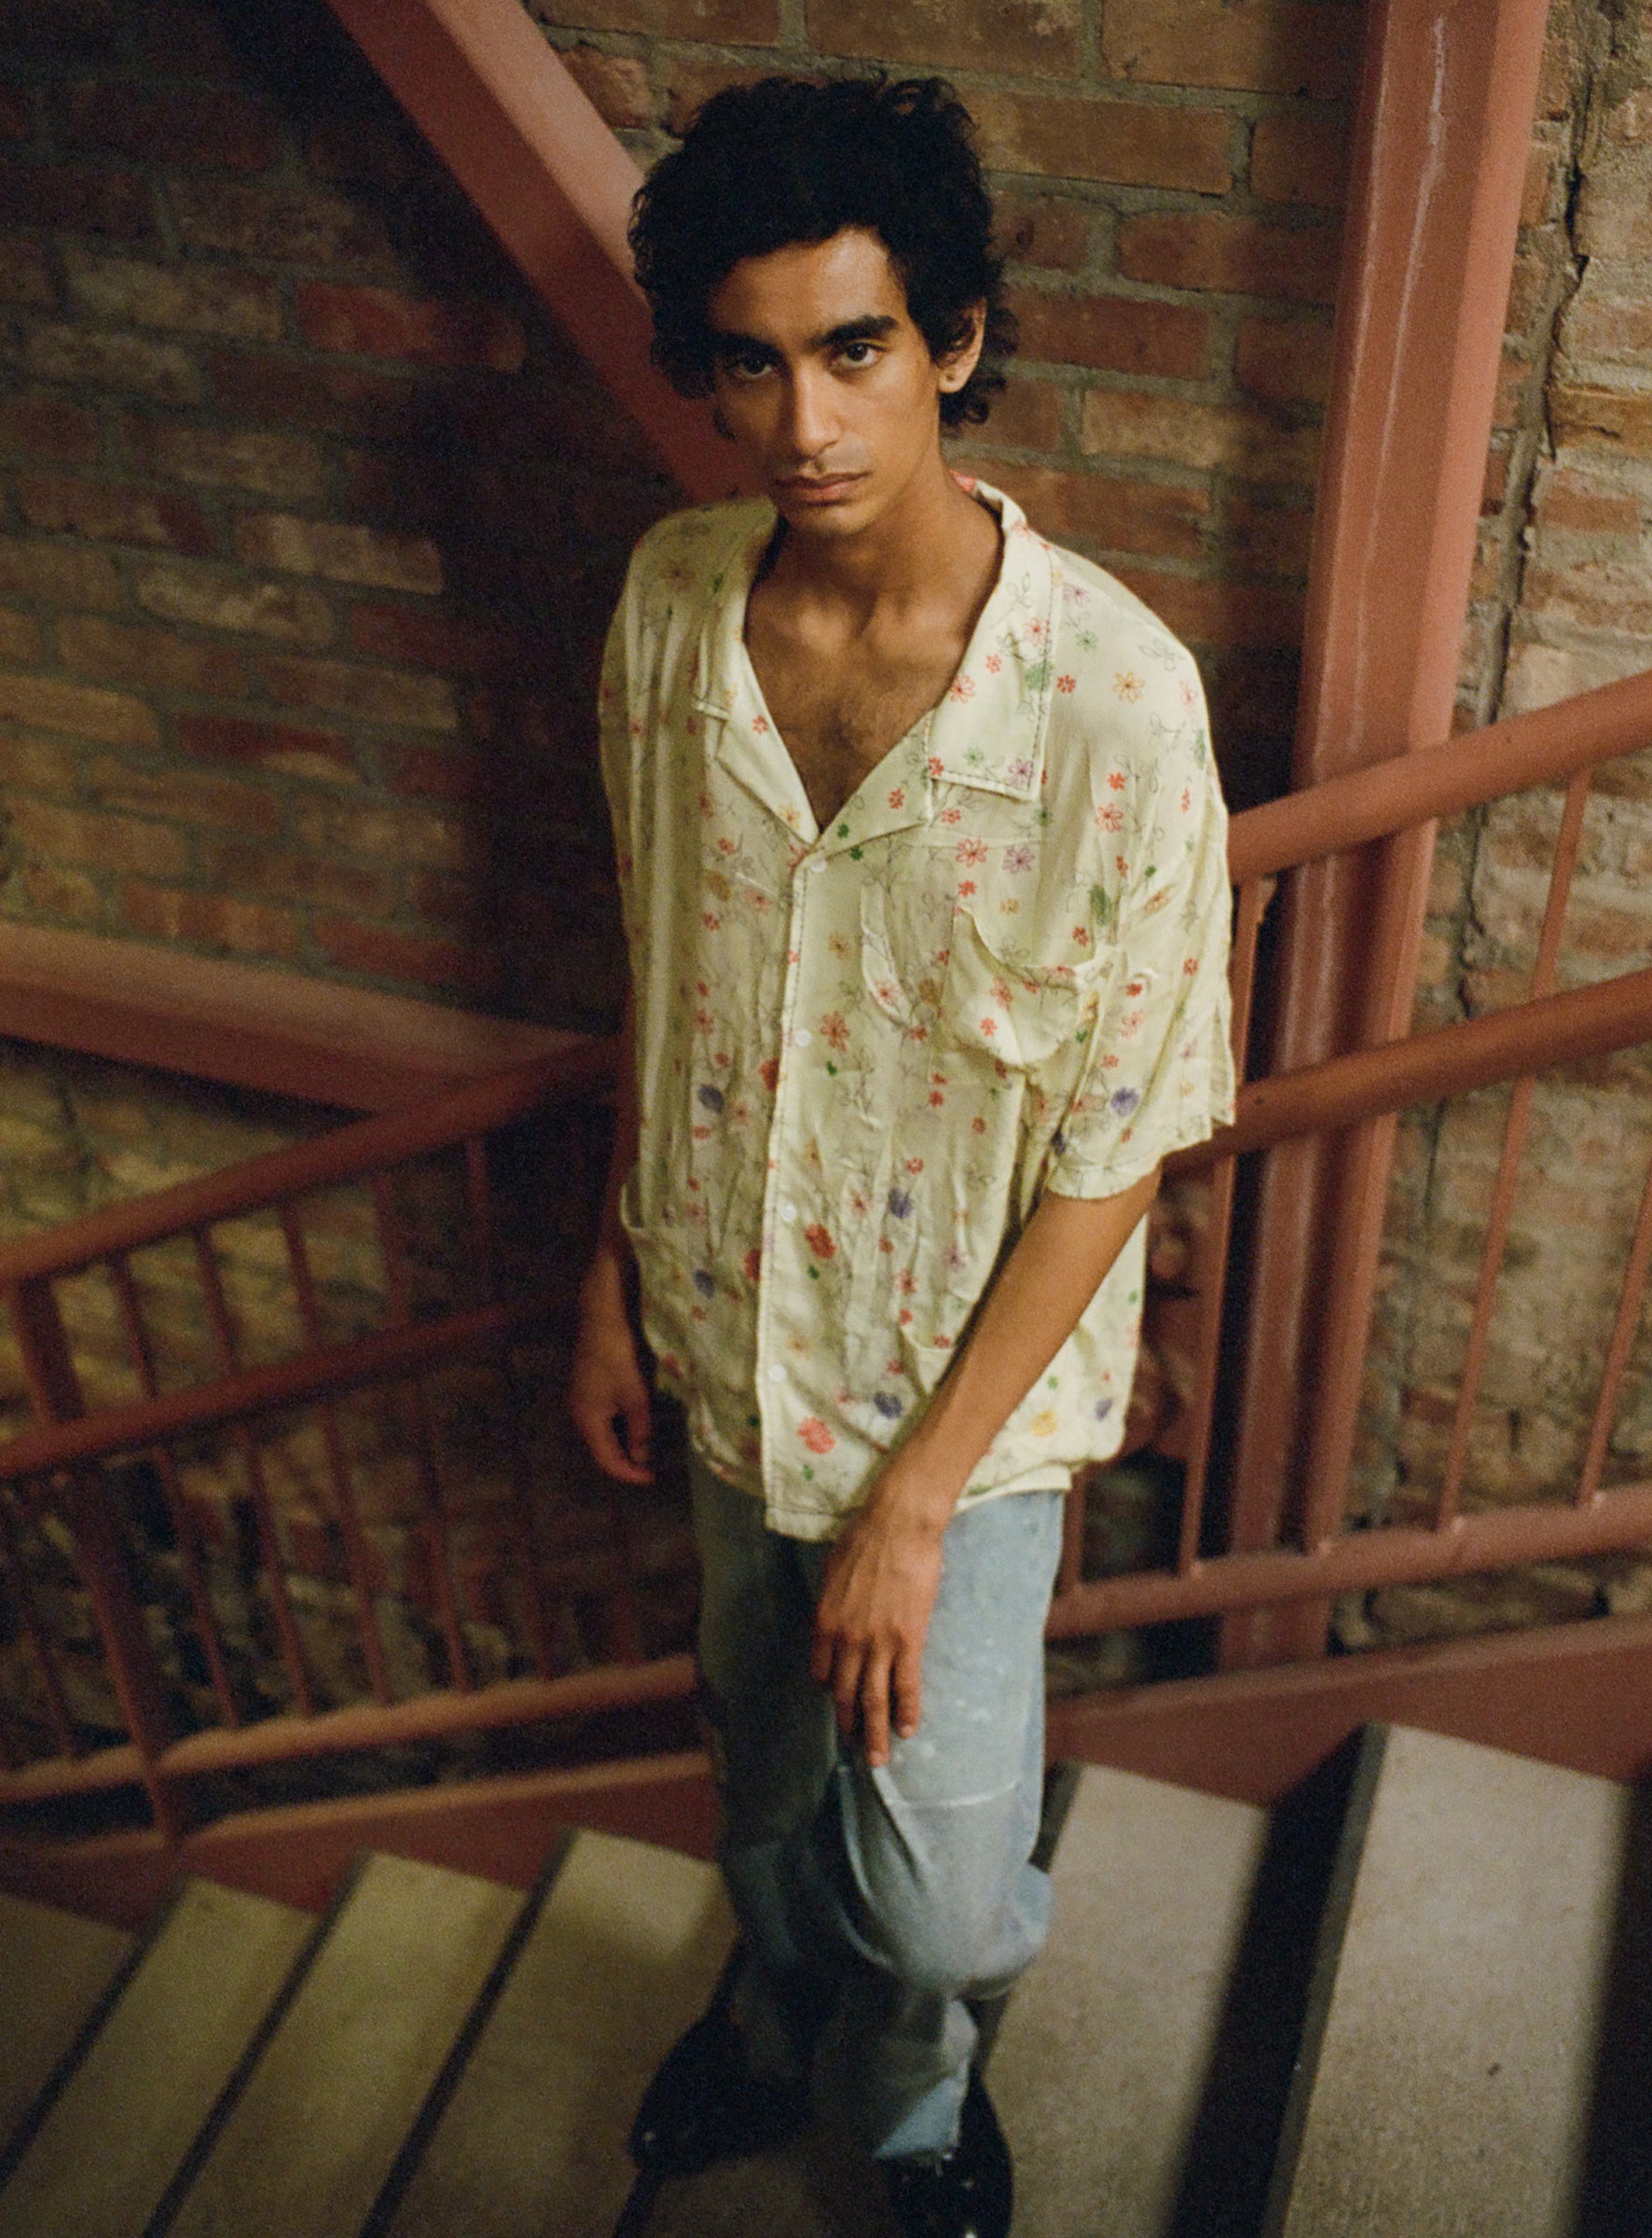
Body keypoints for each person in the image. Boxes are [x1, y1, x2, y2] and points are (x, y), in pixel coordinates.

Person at [569, 74, 1235, 2238]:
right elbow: (663, 962)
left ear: (949, 339)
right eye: (751, 365)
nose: (804, 427)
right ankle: (769, 2023)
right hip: (718, 1335)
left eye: (854, 352)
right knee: (761, 1786)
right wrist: (610, 1265)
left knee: (940, 1894)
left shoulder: (1116, 702)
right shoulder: (674, 608)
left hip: (964, 1410)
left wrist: (921, 1502)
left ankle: (919, 2085)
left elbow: (1122, 1134)